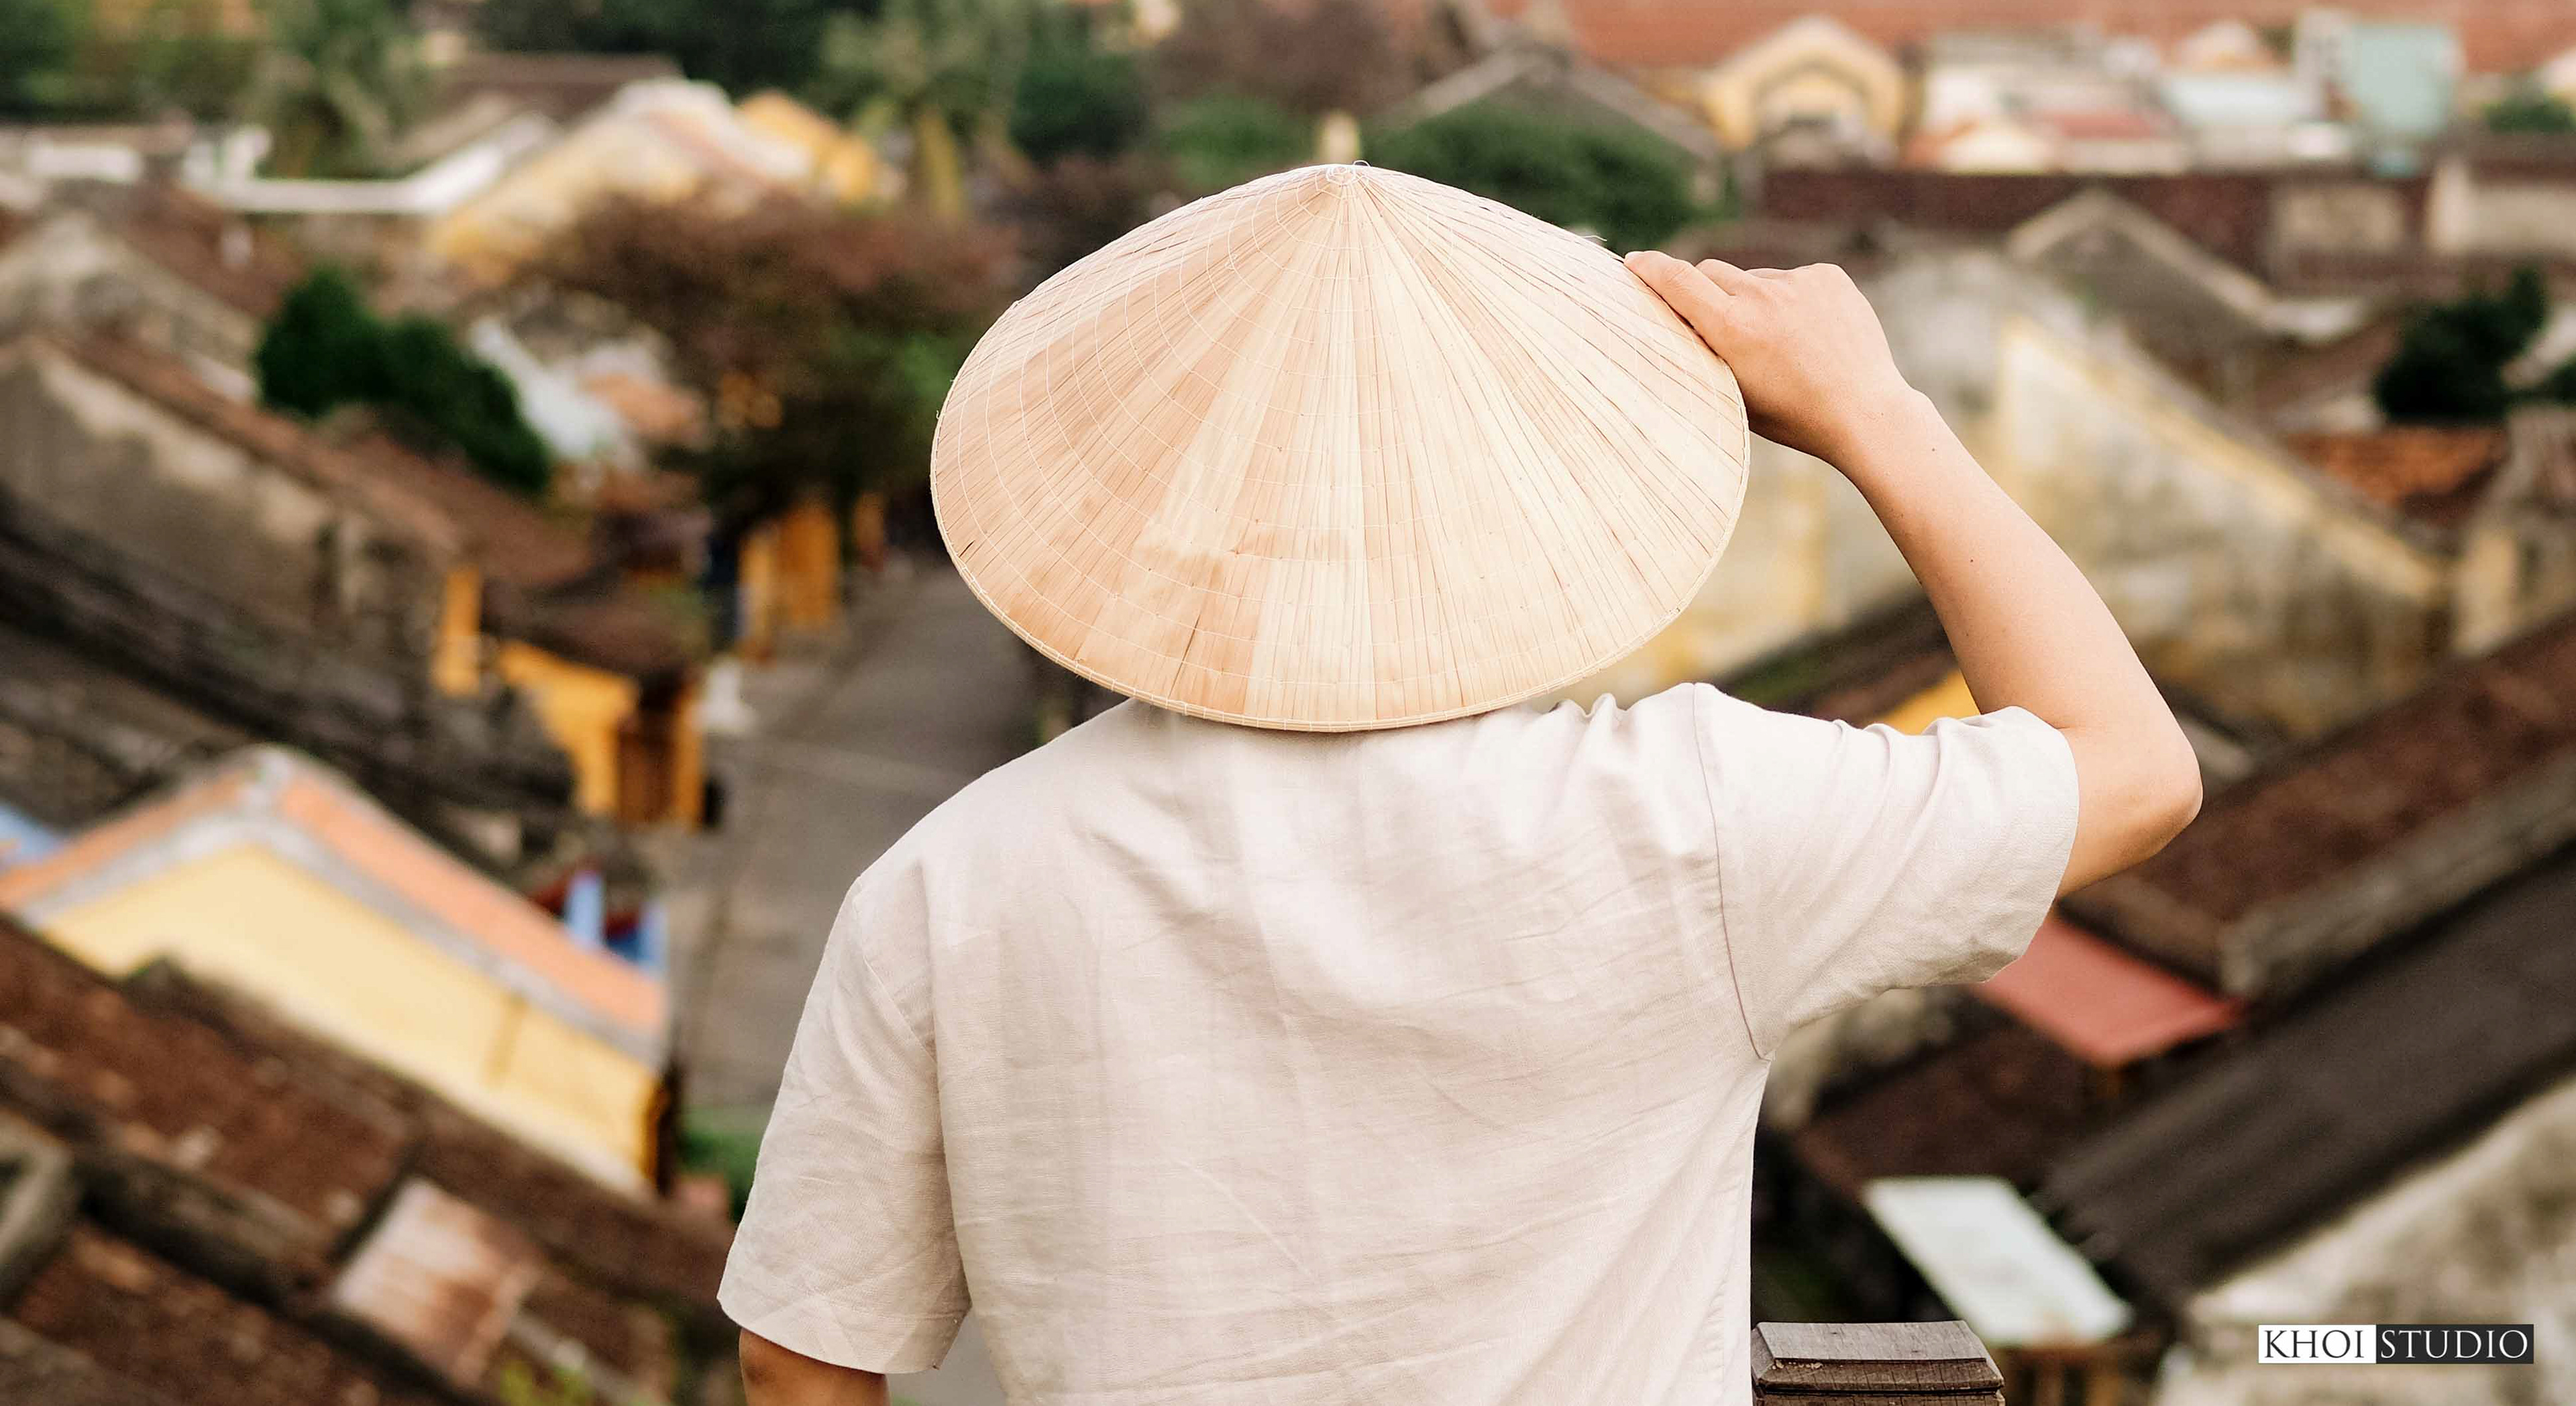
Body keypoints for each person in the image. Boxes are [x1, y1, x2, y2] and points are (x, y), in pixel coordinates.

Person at [724, 168, 2202, 1406]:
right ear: (1535, 506)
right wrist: (1875, 410)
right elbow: (2132, 770)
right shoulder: (1686, 817)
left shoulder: (960, 872)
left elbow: (802, 1356)